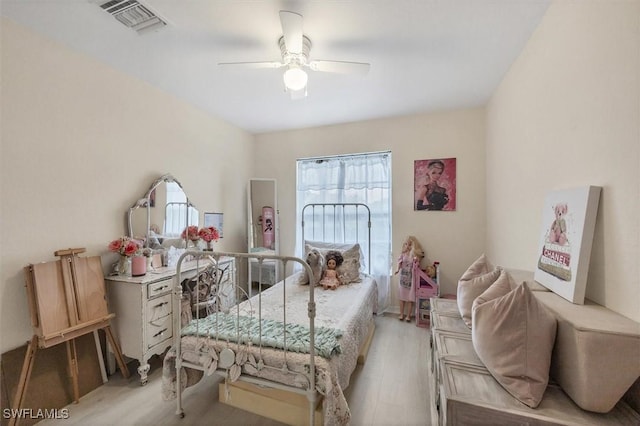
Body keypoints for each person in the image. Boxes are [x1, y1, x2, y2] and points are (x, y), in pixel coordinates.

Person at [395, 236, 424, 322]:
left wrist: (416, 261)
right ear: (405, 245)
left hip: (411, 279)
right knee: (401, 297)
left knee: (409, 299)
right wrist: (397, 270)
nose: (408, 246)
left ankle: (408, 316)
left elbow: (417, 265)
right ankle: (401, 314)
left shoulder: (413, 256)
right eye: (407, 244)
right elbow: (399, 264)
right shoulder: (402, 255)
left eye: (410, 245)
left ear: (413, 246)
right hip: (403, 277)